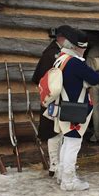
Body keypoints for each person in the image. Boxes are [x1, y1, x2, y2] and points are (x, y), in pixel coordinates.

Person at [49, 28, 99, 191]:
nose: (84, 50)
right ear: (76, 46)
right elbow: (94, 78)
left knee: (67, 143)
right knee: (73, 144)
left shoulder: (60, 59)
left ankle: (62, 176)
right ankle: (69, 181)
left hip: (63, 107)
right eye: (83, 47)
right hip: (74, 109)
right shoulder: (75, 62)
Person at [32, 25, 72, 177]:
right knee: (53, 132)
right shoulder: (51, 55)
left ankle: (57, 164)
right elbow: (42, 79)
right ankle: (54, 165)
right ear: (61, 38)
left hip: (57, 98)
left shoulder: (57, 53)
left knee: (59, 131)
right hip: (52, 99)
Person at [85, 44, 99, 143]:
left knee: (95, 108)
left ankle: (97, 135)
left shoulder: (92, 52)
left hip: (94, 83)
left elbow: (88, 72)